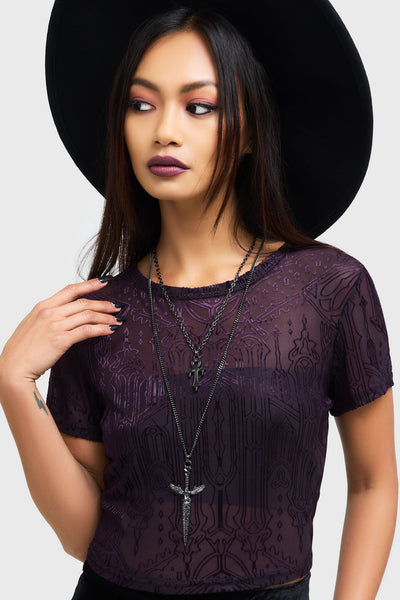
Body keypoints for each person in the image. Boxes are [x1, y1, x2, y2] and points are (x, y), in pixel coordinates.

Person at [0, 1, 397, 599]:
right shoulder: (97, 316)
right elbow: (85, 536)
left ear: (249, 130)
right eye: (141, 104)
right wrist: (13, 383)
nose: (164, 130)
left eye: (199, 106)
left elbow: (373, 483)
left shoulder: (330, 288)